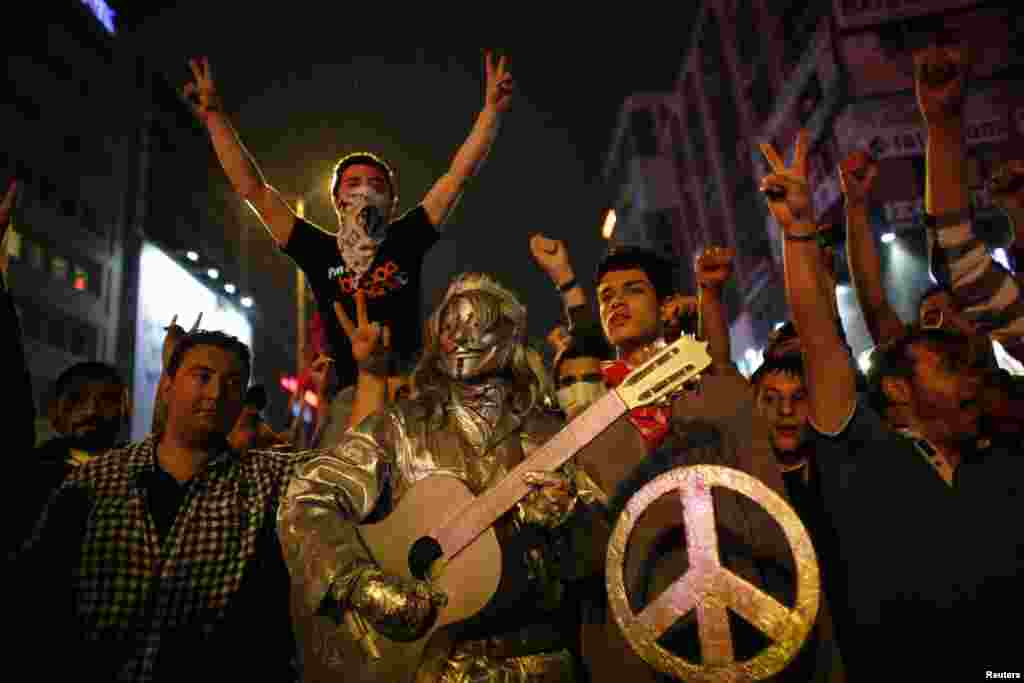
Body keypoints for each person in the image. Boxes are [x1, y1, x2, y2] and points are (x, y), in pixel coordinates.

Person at [760, 123, 1024, 679]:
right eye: (951, 369)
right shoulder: (862, 452)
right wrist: (801, 233)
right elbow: (818, 336)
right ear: (899, 389)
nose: (973, 380)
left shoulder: (1001, 458)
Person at [278, 272, 593, 682]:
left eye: (477, 322)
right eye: (450, 325)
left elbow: (601, 564)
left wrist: (569, 520)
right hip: (429, 666)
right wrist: (358, 582)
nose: (461, 336)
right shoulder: (399, 428)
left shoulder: (553, 437)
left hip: (539, 664)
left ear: (509, 335)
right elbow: (306, 497)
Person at [184, 52, 514, 392]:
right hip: (347, 400)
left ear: (392, 203)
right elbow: (254, 190)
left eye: (376, 185)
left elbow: (457, 176)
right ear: (338, 200)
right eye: (353, 184)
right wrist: (214, 118)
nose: (365, 192)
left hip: (408, 392)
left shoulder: (407, 238)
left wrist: (491, 113)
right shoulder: (318, 251)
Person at [14, 331, 301, 681]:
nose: (215, 393)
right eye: (202, 377)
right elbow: (34, 604)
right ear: (167, 384)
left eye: (233, 383)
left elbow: (351, 473)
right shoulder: (93, 482)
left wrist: (371, 376)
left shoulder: (270, 478)